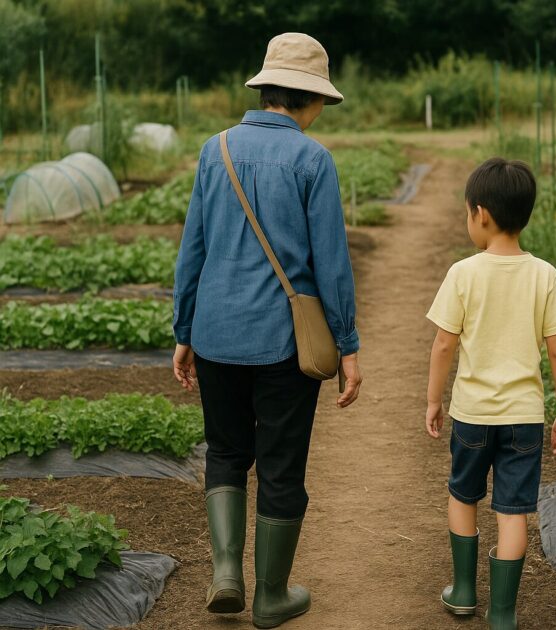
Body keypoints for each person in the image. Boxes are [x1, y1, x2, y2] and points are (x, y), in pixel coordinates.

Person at [172, 33, 362, 629]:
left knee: (226, 452)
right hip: (285, 344)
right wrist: (348, 346)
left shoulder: (215, 149)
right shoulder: (312, 160)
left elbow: (193, 250)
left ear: (266, 87)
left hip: (216, 332)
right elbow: (330, 265)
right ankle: (270, 597)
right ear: (308, 99)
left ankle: (227, 574)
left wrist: (184, 330)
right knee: (281, 467)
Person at [424, 158, 556, 629]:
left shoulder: (464, 273)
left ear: (481, 214)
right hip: (524, 418)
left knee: (463, 495)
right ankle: (503, 614)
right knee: (514, 511)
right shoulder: (544, 275)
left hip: (472, 415)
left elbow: (445, 342)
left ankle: (464, 591)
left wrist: (433, 400)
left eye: (467, 212)